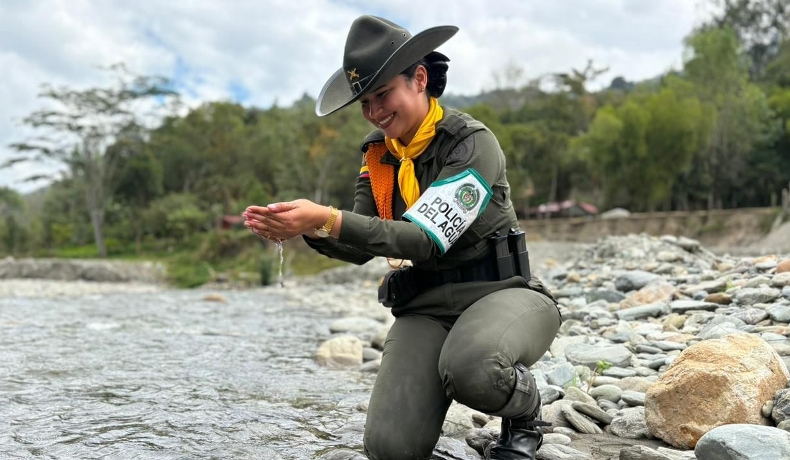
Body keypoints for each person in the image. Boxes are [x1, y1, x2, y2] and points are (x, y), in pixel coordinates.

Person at [243, 15, 562, 460]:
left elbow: (424, 239)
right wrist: (307, 227)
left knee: (474, 369)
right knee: (389, 449)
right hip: (428, 304)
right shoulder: (378, 156)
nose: (374, 112)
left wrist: (328, 217)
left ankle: (525, 410)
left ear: (419, 79)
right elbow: (360, 245)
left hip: (502, 292)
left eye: (383, 94)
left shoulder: (471, 144)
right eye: (365, 102)